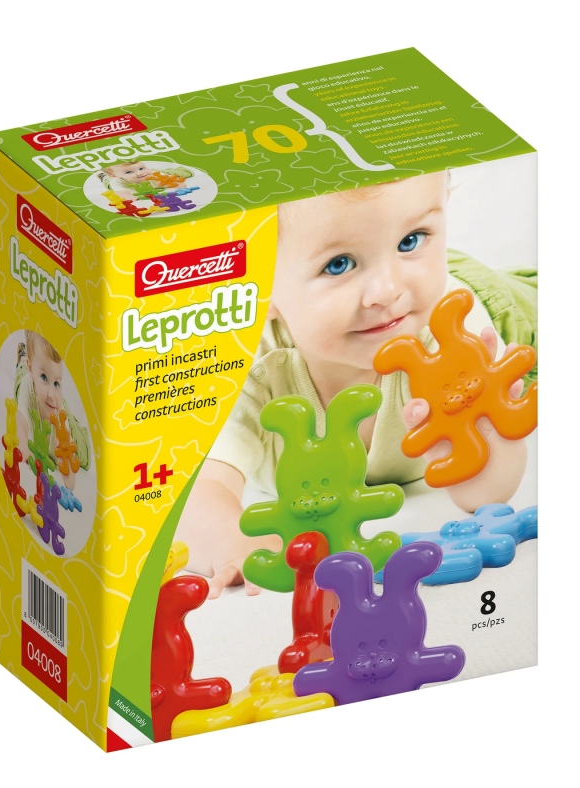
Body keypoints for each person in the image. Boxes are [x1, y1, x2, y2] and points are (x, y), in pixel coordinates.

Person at [177, 171, 538, 598]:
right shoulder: (247, 367)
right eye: (339, 264)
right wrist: (232, 543)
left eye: (412, 240)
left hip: (509, 308)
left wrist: (487, 439)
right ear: (256, 289)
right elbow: (195, 489)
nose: (386, 291)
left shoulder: (453, 335)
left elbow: (488, 497)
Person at [14, 330, 90, 491]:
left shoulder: (61, 417)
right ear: (31, 368)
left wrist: (65, 461)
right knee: (19, 382)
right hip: (29, 384)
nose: (50, 394)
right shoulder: (28, 384)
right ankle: (22, 357)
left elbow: (71, 484)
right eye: (44, 377)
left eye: (56, 383)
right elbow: (20, 425)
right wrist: (26, 450)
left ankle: (38, 372)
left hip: (61, 414)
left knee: (84, 456)